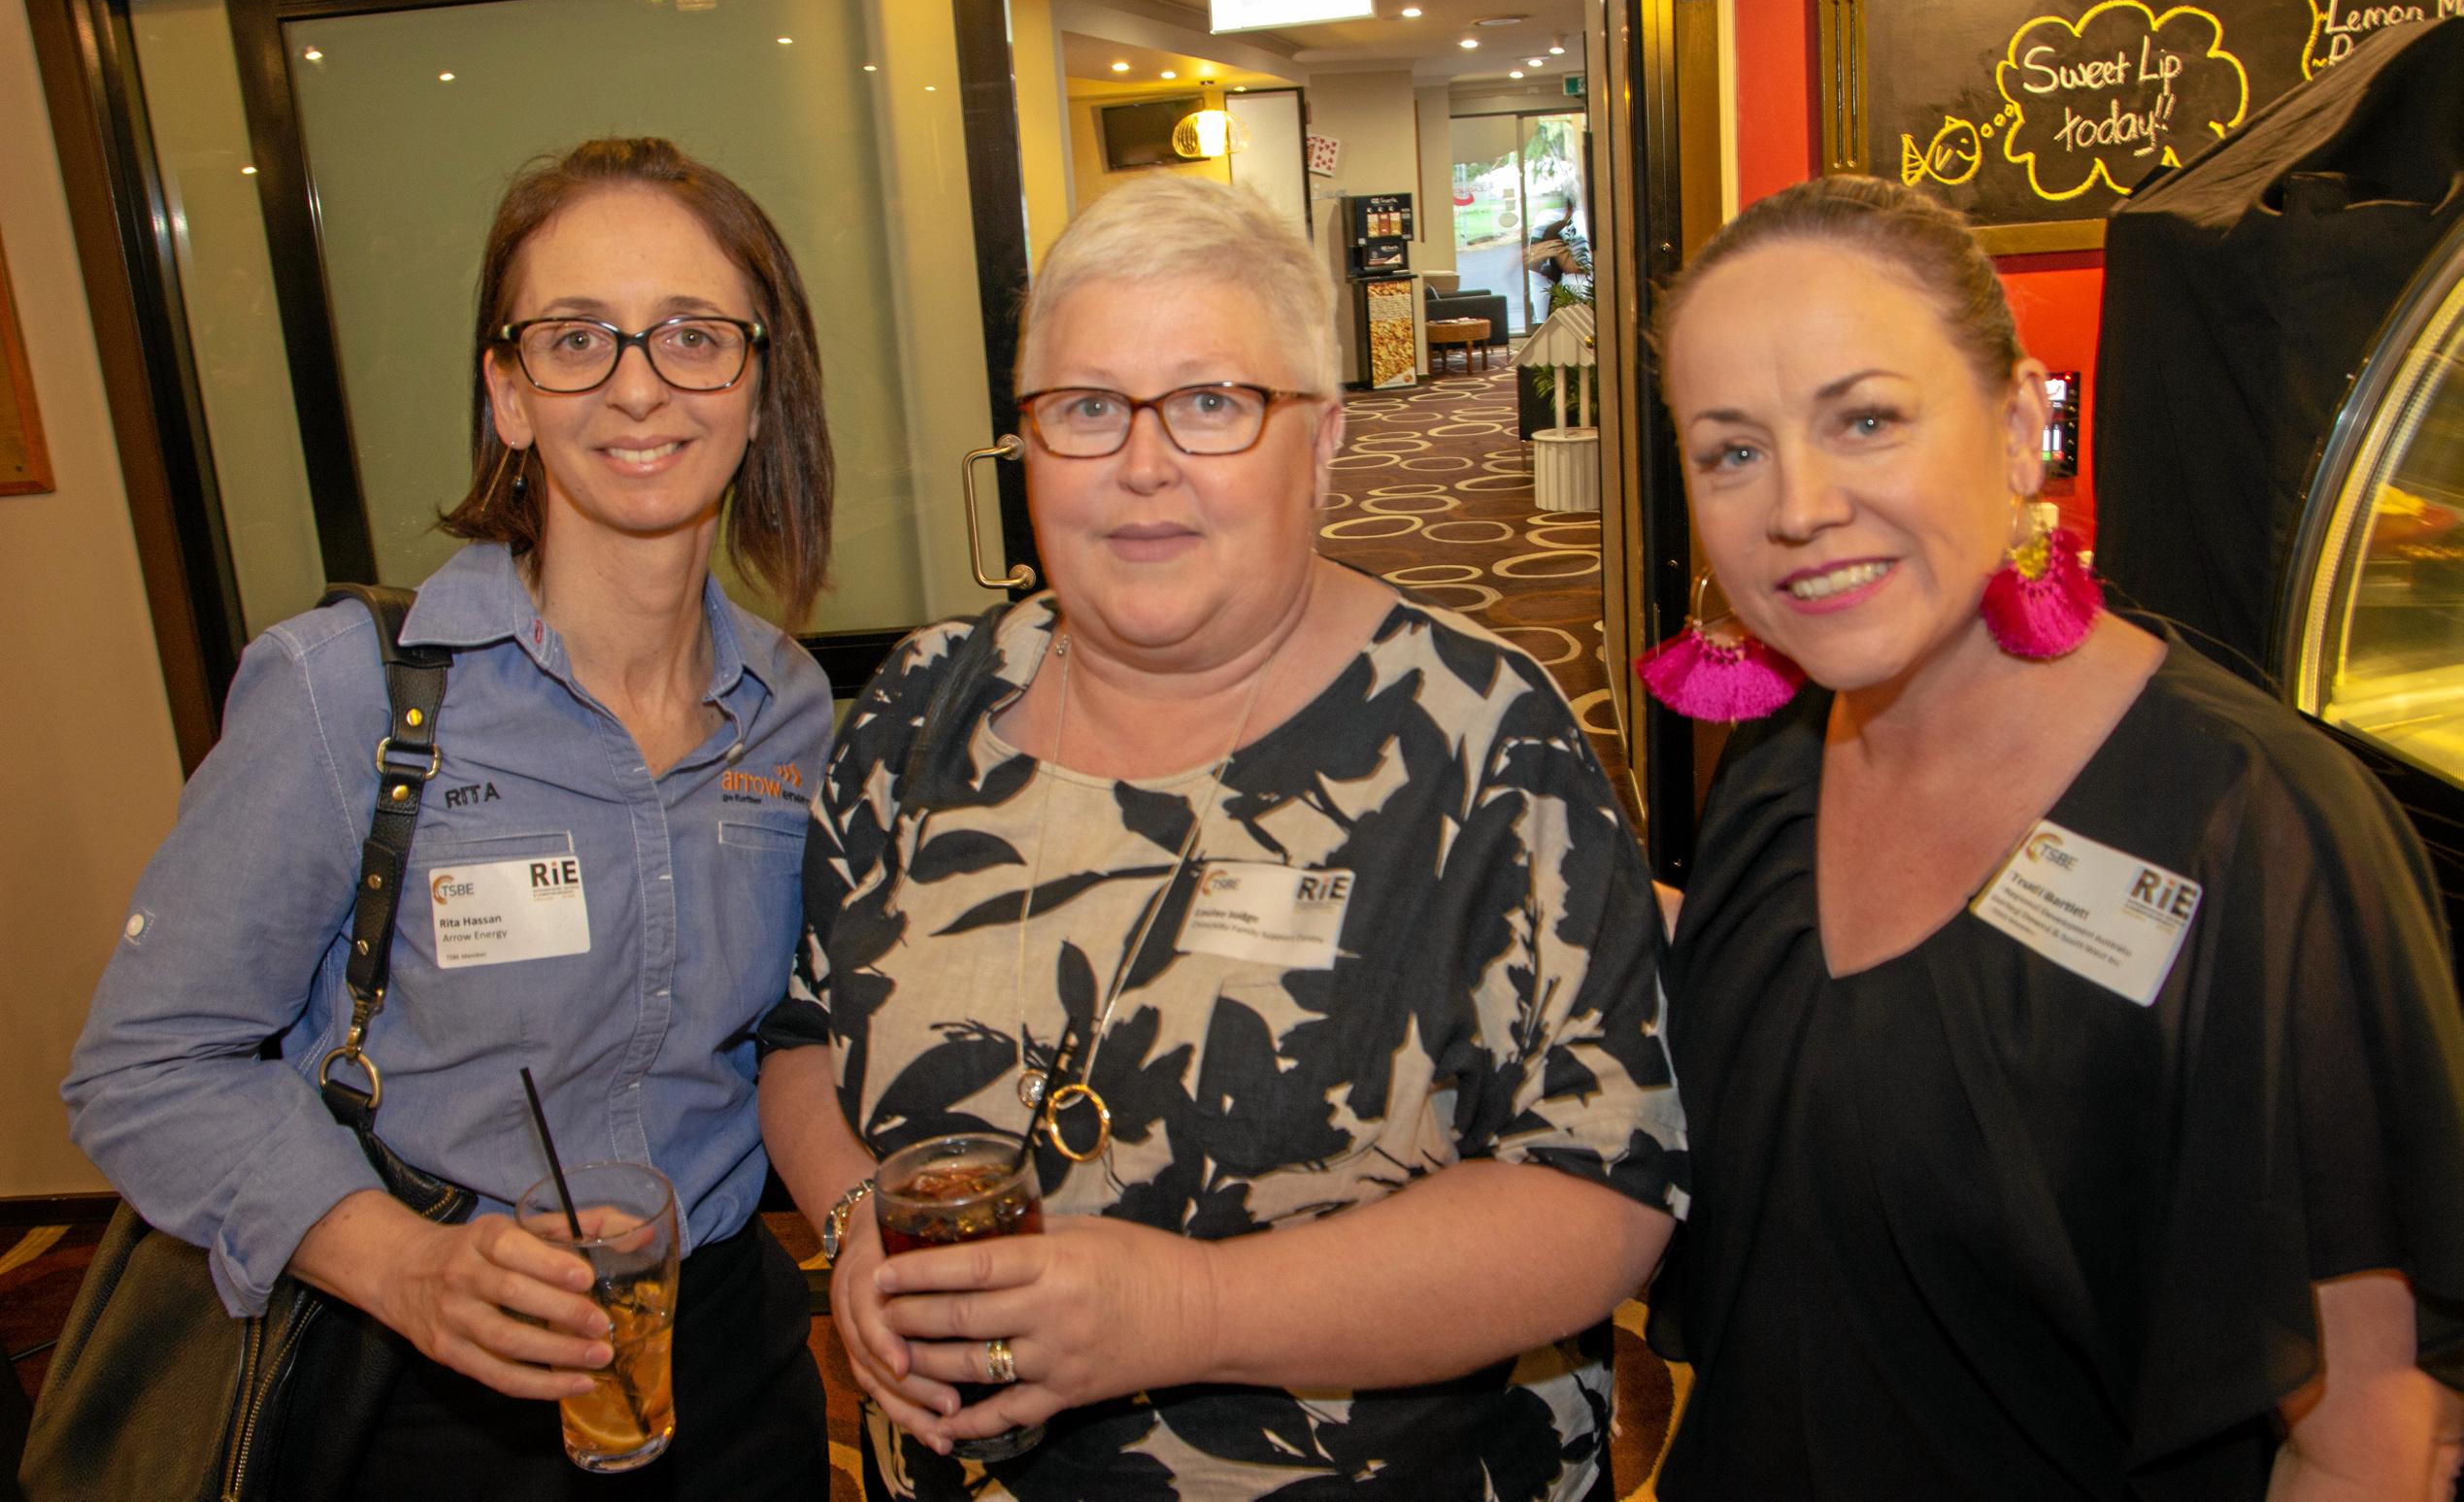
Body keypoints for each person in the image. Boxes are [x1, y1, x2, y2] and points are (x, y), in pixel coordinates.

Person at [756, 174, 1684, 1500]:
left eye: (1209, 402)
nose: (1143, 465)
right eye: (1086, 408)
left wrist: (1188, 1307)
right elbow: (800, 1034)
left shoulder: (1485, 740)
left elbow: (1603, 1198)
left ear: (1321, 439)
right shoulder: (920, 703)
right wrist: (852, 1215)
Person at [1641, 173, 2464, 1500]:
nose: (1795, 506)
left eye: (1864, 419)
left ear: (2019, 423)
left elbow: (2367, 1430)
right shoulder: (1775, 765)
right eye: (1731, 449)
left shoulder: (2250, 822)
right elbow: (1830, 1056)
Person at [64, 137, 837, 1497]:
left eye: (694, 336)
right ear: (509, 393)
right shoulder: (345, 691)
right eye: (577, 337)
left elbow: (793, 1037)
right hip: (425, 1383)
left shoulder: (787, 710)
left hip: (725, 1357)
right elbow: (144, 1066)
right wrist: (402, 1263)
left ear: (759, 387)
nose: (639, 383)